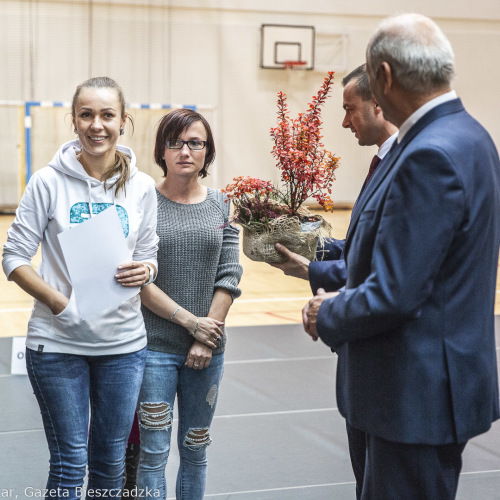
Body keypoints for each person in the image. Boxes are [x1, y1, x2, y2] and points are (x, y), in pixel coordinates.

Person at [304, 13, 500, 500]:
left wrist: (327, 310)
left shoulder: (428, 153)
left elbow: (396, 293)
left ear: (385, 77)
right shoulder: (470, 136)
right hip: (425, 390)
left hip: (414, 397)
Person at [2, 76, 159, 497]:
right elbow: (13, 258)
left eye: (107, 115)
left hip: (123, 348)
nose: (97, 125)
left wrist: (146, 271)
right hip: (56, 345)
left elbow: (149, 255)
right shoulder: (46, 183)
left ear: (123, 121)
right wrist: (59, 303)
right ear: (73, 121)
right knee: (71, 464)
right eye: (86, 114)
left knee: (110, 465)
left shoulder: (142, 188)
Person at [270, 63, 397, 499]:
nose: (343, 122)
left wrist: (313, 273)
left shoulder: (409, 166)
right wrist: (308, 243)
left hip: (391, 374)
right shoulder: (383, 161)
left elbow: (386, 269)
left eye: (350, 110)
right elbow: (363, 245)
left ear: (379, 104)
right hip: (366, 373)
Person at [135, 108, 242, 499]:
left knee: (196, 450)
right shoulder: (143, 202)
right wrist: (190, 324)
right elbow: (139, 281)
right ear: (161, 150)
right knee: (153, 453)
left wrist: (204, 337)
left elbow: (229, 276)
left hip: (207, 353)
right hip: (154, 350)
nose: (185, 150)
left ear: (207, 151)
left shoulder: (221, 204)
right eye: (175, 142)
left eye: (195, 142)